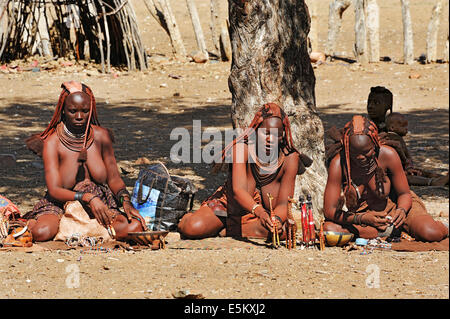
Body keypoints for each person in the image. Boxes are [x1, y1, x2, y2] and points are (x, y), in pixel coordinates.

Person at [24, 81, 146, 242]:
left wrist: (126, 201)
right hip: (62, 202)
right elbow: (54, 190)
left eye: (85, 111)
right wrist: (87, 197)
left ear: (92, 110)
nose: (80, 116)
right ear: (63, 111)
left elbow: (114, 178)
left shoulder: (102, 136)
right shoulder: (52, 142)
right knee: (42, 232)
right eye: (73, 111)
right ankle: (56, 225)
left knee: (134, 228)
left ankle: (74, 231)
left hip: (101, 203)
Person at [177, 103, 312, 239]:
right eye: (266, 133)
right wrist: (260, 212)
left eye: (276, 135)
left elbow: (284, 203)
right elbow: (239, 191)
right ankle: (196, 220)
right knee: (193, 228)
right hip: (227, 209)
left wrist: (275, 219)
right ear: (256, 131)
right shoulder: (242, 150)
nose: (270, 140)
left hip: (260, 217)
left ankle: (230, 230)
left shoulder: (289, 159)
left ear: (282, 136)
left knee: (281, 232)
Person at [323, 115, 448, 242]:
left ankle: (439, 227)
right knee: (330, 229)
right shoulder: (339, 163)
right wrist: (362, 218)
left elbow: (404, 193)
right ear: (347, 147)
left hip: (397, 210)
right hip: (363, 220)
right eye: (355, 153)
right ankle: (387, 232)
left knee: (431, 233)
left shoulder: (388, 155)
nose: (361, 157)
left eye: (366, 152)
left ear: (375, 145)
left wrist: (402, 210)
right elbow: (330, 210)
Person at [382, 112, 449, 186]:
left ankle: (443, 178)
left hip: (403, 168)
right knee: (408, 178)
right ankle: (433, 182)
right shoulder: (395, 139)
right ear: (392, 128)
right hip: (397, 171)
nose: (406, 129)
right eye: (403, 126)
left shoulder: (394, 138)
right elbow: (401, 155)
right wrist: (407, 165)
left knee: (421, 172)